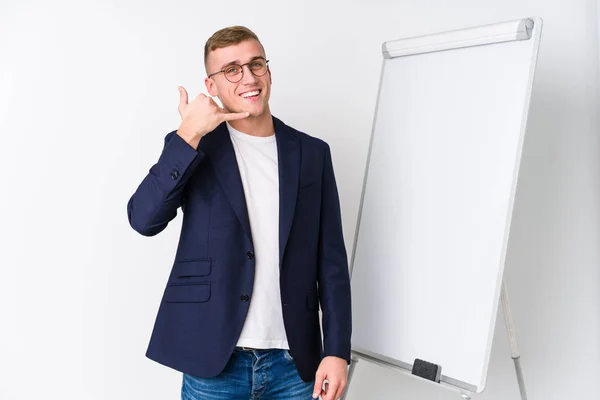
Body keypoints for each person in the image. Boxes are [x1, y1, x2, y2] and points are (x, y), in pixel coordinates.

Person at [127, 25, 352, 400]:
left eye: (256, 64)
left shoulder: (312, 153)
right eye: (231, 69)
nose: (248, 77)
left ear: (268, 70)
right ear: (211, 85)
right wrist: (188, 134)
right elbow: (143, 219)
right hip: (214, 359)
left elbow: (331, 262)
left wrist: (337, 350)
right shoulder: (193, 146)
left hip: (295, 362)